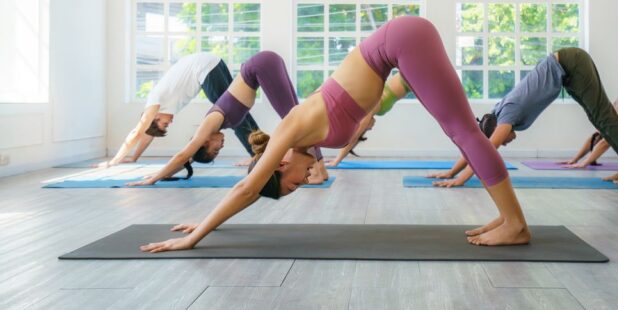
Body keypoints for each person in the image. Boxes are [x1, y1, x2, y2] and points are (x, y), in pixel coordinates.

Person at [139, 16, 530, 254]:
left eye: (291, 186)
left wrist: (195, 236)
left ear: (281, 165)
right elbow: (250, 193)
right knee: (458, 130)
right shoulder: (302, 142)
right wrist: (209, 221)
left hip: (401, 42)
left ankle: (515, 224)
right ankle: (506, 218)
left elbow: (246, 189)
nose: (302, 184)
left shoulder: (289, 131)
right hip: (399, 50)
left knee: (463, 131)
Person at [428, 47, 618, 187]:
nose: (507, 141)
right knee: (600, 119)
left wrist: (462, 179)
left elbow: (488, 149)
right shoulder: (498, 111)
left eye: (503, 139)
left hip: (571, 63)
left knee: (605, 118)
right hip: (567, 70)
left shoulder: (508, 114)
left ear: (497, 129)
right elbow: (479, 144)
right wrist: (451, 171)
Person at [127, 51, 327, 186]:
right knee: (297, 116)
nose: (221, 146)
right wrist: (169, 174)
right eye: (219, 151)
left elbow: (182, 155)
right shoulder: (215, 127)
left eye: (215, 149)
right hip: (264, 64)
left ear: (204, 142)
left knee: (297, 122)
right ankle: (319, 168)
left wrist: (153, 178)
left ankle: (318, 170)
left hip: (261, 66)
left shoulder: (207, 126)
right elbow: (185, 159)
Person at [99, 53, 257, 167]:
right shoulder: (162, 106)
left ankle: (257, 155)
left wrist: (114, 160)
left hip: (205, 68)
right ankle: (261, 150)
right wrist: (134, 157)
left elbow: (138, 132)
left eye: (165, 124)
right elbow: (147, 135)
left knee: (232, 114)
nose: (170, 122)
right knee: (239, 109)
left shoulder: (155, 101)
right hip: (212, 62)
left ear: (155, 118)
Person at [326, 73, 411, 166]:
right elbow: (355, 139)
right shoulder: (371, 111)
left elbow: (353, 138)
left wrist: (337, 160)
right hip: (409, 82)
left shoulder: (367, 111)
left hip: (407, 78)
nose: (370, 128)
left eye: (366, 129)